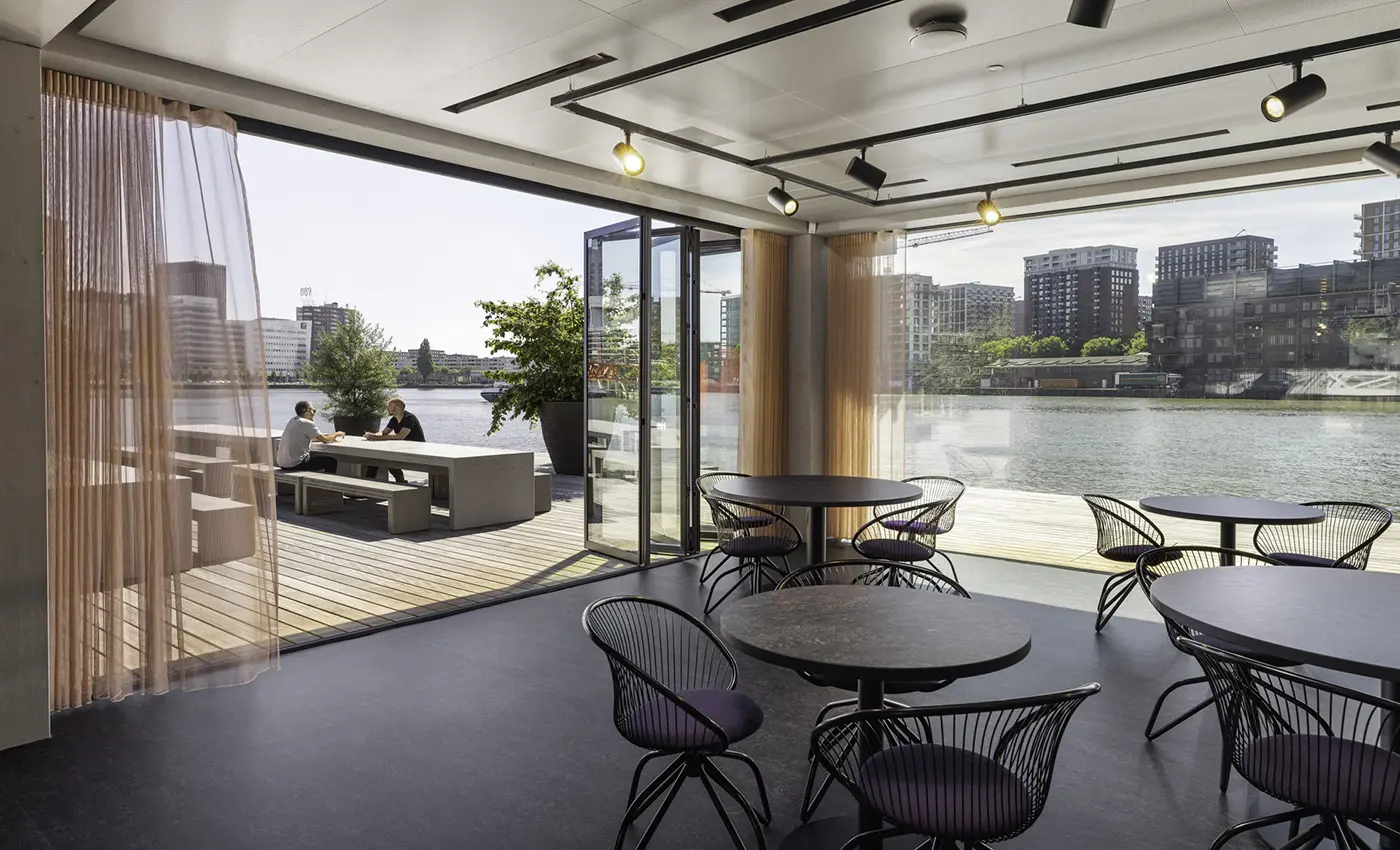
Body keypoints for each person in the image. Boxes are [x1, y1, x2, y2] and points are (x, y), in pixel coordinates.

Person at [363, 397, 424, 484]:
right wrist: (372, 435)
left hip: (416, 451)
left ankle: (367, 485)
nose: (387, 409)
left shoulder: (409, 418)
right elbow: (384, 433)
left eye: (389, 406)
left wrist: (376, 438)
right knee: (377, 459)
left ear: (397, 408)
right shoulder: (394, 419)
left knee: (383, 459)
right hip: (404, 448)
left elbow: (400, 436)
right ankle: (368, 485)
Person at [276, 400, 343, 472]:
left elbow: (310, 437)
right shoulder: (306, 422)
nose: (314, 414)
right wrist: (337, 434)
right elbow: (325, 439)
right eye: (313, 411)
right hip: (295, 464)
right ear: (308, 410)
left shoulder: (293, 421)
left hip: (282, 464)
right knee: (331, 462)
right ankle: (326, 483)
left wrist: (327, 437)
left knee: (316, 461)